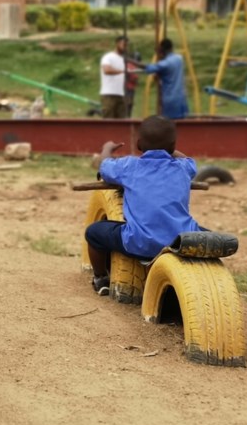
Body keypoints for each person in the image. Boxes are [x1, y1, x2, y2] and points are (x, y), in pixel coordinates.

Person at [84, 115, 202, 295]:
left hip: (140, 244)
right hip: (182, 241)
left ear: (139, 144)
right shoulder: (183, 168)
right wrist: (170, 150)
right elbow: (188, 161)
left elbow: (104, 165)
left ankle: (101, 278)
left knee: (93, 233)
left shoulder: (129, 167)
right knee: (204, 234)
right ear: (172, 146)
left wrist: (106, 148)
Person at [135, 38, 189, 120]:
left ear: (162, 50)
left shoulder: (165, 64)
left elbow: (149, 68)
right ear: (171, 48)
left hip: (170, 99)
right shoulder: (179, 58)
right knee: (182, 122)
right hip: (181, 98)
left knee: (168, 122)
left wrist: (130, 61)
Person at [99, 35, 129, 119]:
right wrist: (121, 71)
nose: (125, 47)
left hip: (120, 94)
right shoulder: (108, 57)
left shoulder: (123, 59)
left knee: (121, 120)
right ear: (117, 44)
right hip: (108, 93)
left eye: (127, 45)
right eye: (123, 44)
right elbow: (106, 70)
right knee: (108, 118)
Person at [124, 51, 142, 118]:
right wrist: (136, 81)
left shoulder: (128, 65)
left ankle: (128, 117)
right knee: (128, 104)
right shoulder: (131, 66)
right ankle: (127, 117)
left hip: (129, 88)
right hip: (128, 89)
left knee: (129, 104)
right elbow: (134, 78)